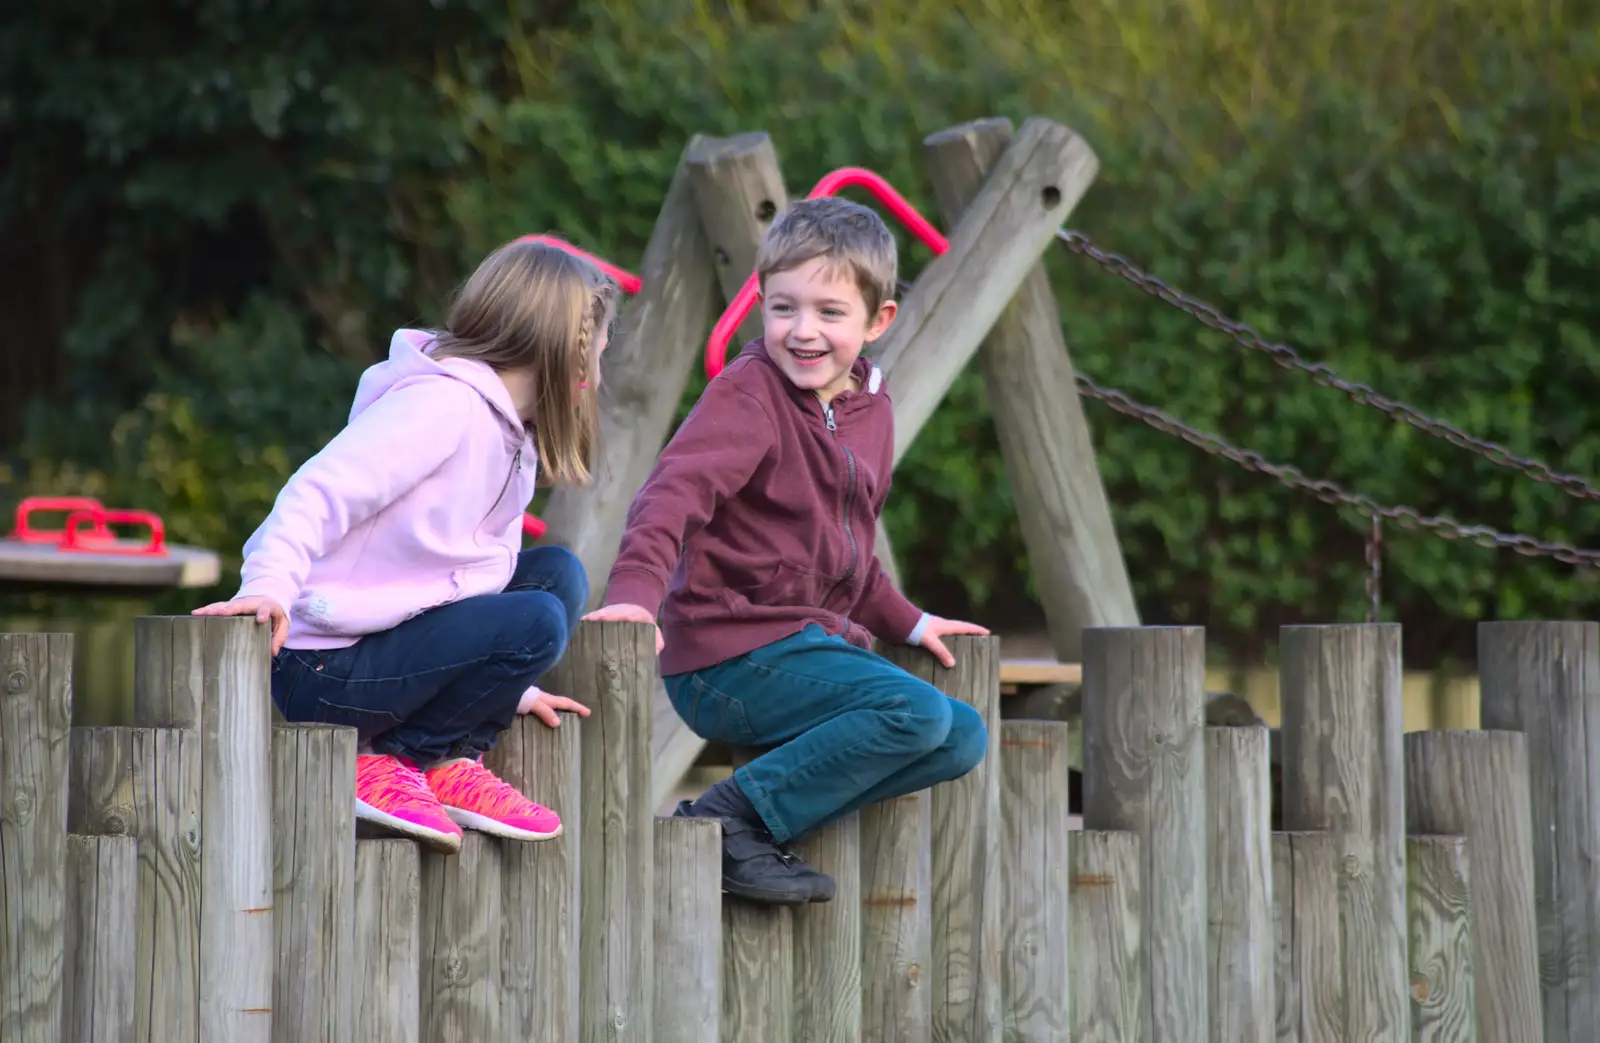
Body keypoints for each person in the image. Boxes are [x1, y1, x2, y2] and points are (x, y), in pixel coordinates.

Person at [585, 196, 990, 904]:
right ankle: (726, 821)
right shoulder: (749, 396)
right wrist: (633, 596)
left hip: (799, 646)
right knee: (916, 715)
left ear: (878, 320)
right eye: (782, 308)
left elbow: (845, 555)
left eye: (829, 313)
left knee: (962, 737)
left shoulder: (872, 411)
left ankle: (762, 823)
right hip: (726, 655)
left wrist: (911, 621)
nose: (803, 331)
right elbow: (669, 497)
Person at [192, 239, 613, 854]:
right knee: (538, 616)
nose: (602, 366)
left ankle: (447, 763)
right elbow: (319, 492)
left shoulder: (512, 438)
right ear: (574, 355)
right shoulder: (442, 407)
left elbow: (476, 581)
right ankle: (399, 760)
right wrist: (269, 585)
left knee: (556, 577)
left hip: (389, 652)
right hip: (325, 668)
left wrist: (505, 686)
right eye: (601, 347)